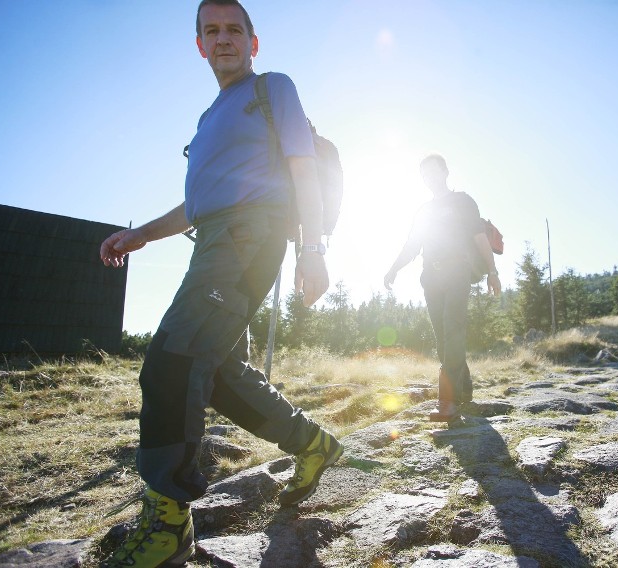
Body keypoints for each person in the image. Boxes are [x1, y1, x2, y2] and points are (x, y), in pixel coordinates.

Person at [98, 2, 342, 565]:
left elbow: (303, 168)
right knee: (216, 373)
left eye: (235, 29)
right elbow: (198, 204)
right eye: (213, 31)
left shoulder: (273, 88)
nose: (224, 38)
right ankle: (313, 444)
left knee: (171, 361)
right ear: (200, 45)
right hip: (214, 240)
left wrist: (313, 248)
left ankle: (167, 521)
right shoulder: (211, 117)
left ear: (253, 43)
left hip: (248, 238)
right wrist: (142, 236)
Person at [384, 154, 501, 423]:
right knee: (442, 337)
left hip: (458, 270)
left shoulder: (463, 201)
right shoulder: (423, 210)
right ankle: (465, 389)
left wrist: (492, 272)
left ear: (445, 172)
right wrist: (394, 268)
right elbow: (412, 244)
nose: (428, 177)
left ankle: (448, 401)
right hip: (430, 276)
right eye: (423, 173)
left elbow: (479, 237)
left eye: (433, 171)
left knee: (453, 328)